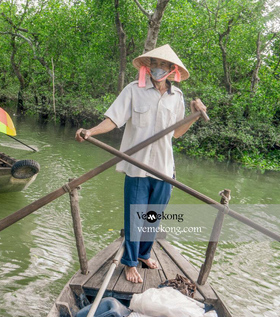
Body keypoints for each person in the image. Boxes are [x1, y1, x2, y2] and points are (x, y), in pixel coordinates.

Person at [75, 44, 207, 284]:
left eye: (163, 65)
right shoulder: (133, 90)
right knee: (135, 216)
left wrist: (194, 115)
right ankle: (130, 262)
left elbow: (177, 133)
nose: (157, 68)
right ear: (148, 67)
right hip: (137, 164)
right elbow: (113, 119)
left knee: (153, 217)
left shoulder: (176, 96)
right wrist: (90, 132)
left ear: (171, 69)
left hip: (164, 168)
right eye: (154, 64)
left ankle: (144, 254)